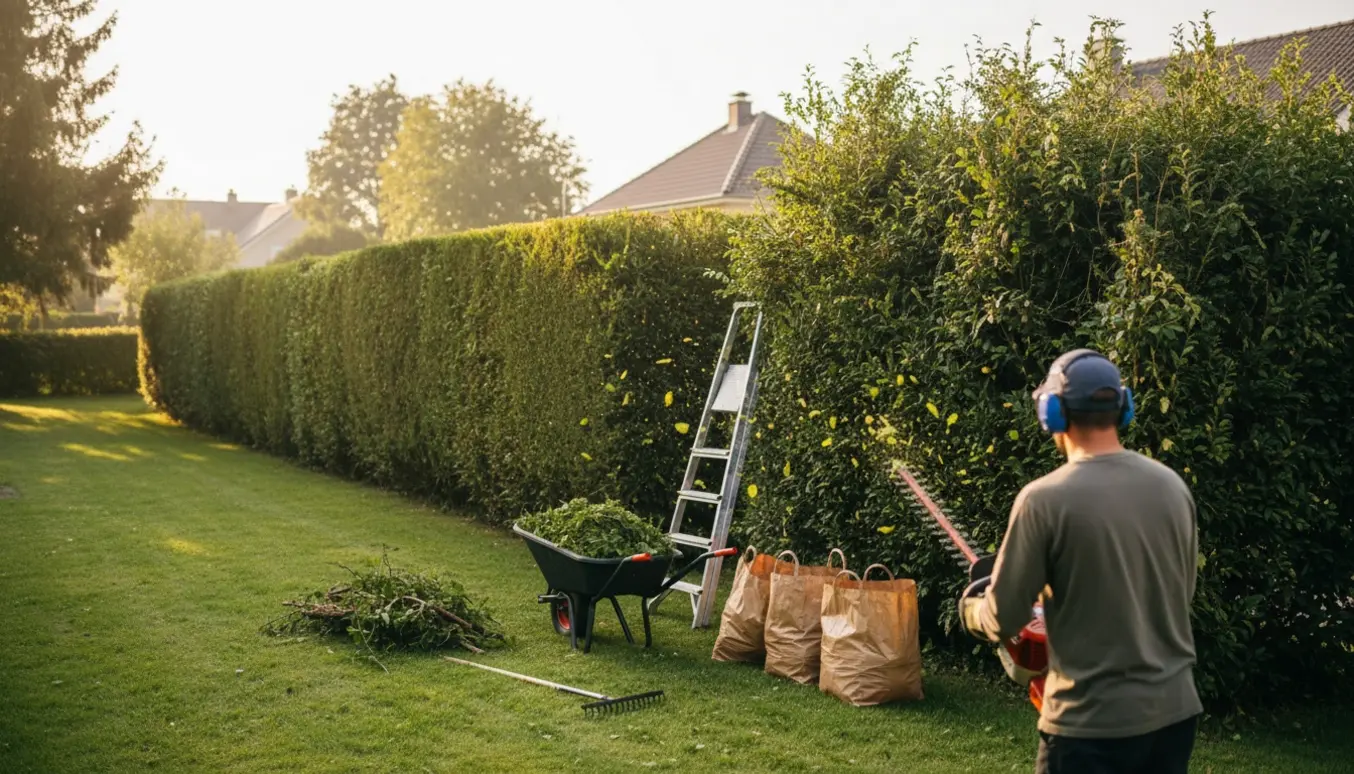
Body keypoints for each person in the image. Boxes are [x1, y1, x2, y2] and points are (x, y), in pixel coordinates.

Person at [959, 348, 1202, 774]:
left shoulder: (1043, 500)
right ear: (1122, 408)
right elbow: (1178, 594)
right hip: (1174, 716)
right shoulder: (1172, 487)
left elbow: (1004, 617)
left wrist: (973, 610)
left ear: (1052, 412)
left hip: (1090, 727)